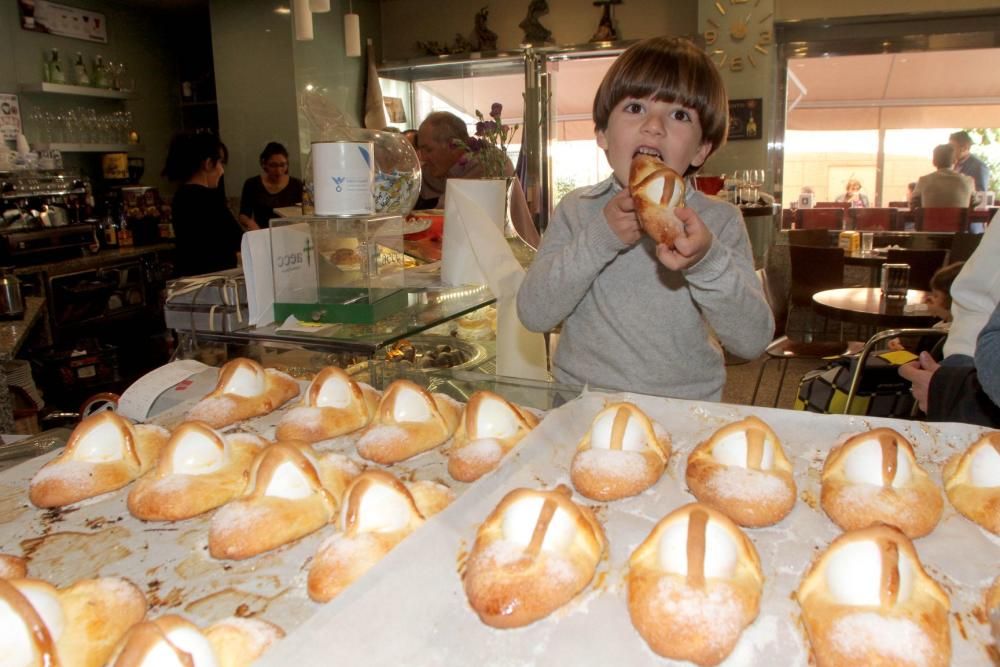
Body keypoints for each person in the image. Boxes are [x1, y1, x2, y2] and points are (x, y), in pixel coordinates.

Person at [516, 36, 774, 400]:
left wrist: (707, 262)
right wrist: (598, 239)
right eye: (635, 107)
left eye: (680, 115)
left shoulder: (719, 221)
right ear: (603, 134)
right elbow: (534, 313)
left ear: (701, 149)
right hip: (583, 406)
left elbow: (752, 340)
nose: (654, 125)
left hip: (684, 409)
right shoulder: (577, 209)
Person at [416, 110, 540, 246]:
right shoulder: (446, 167)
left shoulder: (489, 164)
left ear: (453, 145)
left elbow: (451, 215)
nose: (423, 158)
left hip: (516, 256)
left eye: (428, 150)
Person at [163, 131, 243, 278]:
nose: (221, 170)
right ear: (208, 163)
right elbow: (237, 240)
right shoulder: (208, 199)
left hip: (190, 280)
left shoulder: (181, 196)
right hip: (210, 283)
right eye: (220, 162)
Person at [238, 142, 303, 231]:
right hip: (263, 232)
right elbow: (243, 214)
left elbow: (305, 211)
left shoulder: (296, 184)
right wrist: (250, 223)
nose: (278, 171)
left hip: (290, 233)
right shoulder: (252, 184)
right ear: (264, 164)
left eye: (282, 165)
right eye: (273, 165)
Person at [909, 144, 974, 209]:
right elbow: (975, 202)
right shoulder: (968, 181)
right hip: (959, 219)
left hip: (931, 219)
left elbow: (912, 204)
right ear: (955, 160)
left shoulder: (924, 181)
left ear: (934, 161)